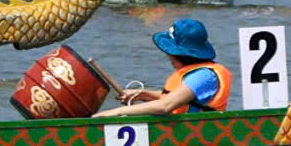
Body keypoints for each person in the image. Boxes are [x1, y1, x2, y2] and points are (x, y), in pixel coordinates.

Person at [95, 19, 232, 117]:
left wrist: (114, 112)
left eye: (170, 53)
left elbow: (165, 106)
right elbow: (177, 98)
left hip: (196, 136)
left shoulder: (204, 76)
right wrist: (143, 94)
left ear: (181, 55)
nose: (168, 56)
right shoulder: (197, 73)